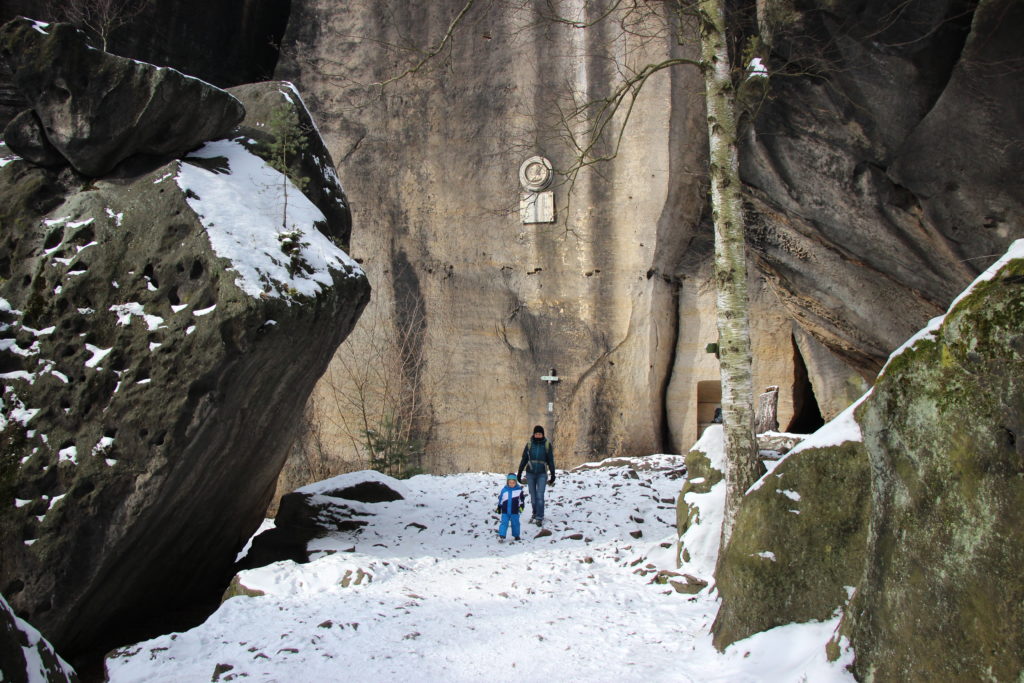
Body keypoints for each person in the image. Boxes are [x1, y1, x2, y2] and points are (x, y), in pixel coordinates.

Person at [517, 425, 555, 525]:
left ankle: (539, 516)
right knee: (533, 496)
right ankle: (534, 513)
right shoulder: (529, 444)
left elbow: (550, 460)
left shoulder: (546, 445)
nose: (538, 435)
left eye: (540, 434)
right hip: (530, 473)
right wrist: (520, 472)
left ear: (542, 434)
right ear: (534, 434)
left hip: (542, 474)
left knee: (540, 495)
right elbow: (524, 459)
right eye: (536, 434)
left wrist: (553, 474)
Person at [496, 473, 525, 542]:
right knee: (504, 523)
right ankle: (501, 535)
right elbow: (501, 499)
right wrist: (499, 507)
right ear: (507, 482)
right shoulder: (504, 490)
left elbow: (521, 501)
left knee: (515, 524)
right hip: (505, 511)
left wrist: (521, 507)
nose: (511, 484)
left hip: (515, 511)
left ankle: (516, 535)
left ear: (516, 482)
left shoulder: (519, 491)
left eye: (513, 482)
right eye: (510, 482)